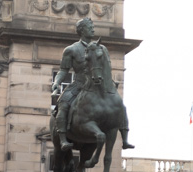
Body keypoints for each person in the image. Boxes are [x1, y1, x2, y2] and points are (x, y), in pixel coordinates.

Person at [51, 17, 134, 150]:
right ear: (82, 30)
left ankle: (125, 139)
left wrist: (110, 82)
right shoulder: (71, 50)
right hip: (78, 85)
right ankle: (63, 139)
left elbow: (106, 68)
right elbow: (63, 70)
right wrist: (56, 82)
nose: (93, 29)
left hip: (99, 85)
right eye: (90, 28)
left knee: (120, 106)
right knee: (63, 105)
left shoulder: (102, 48)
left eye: (93, 27)